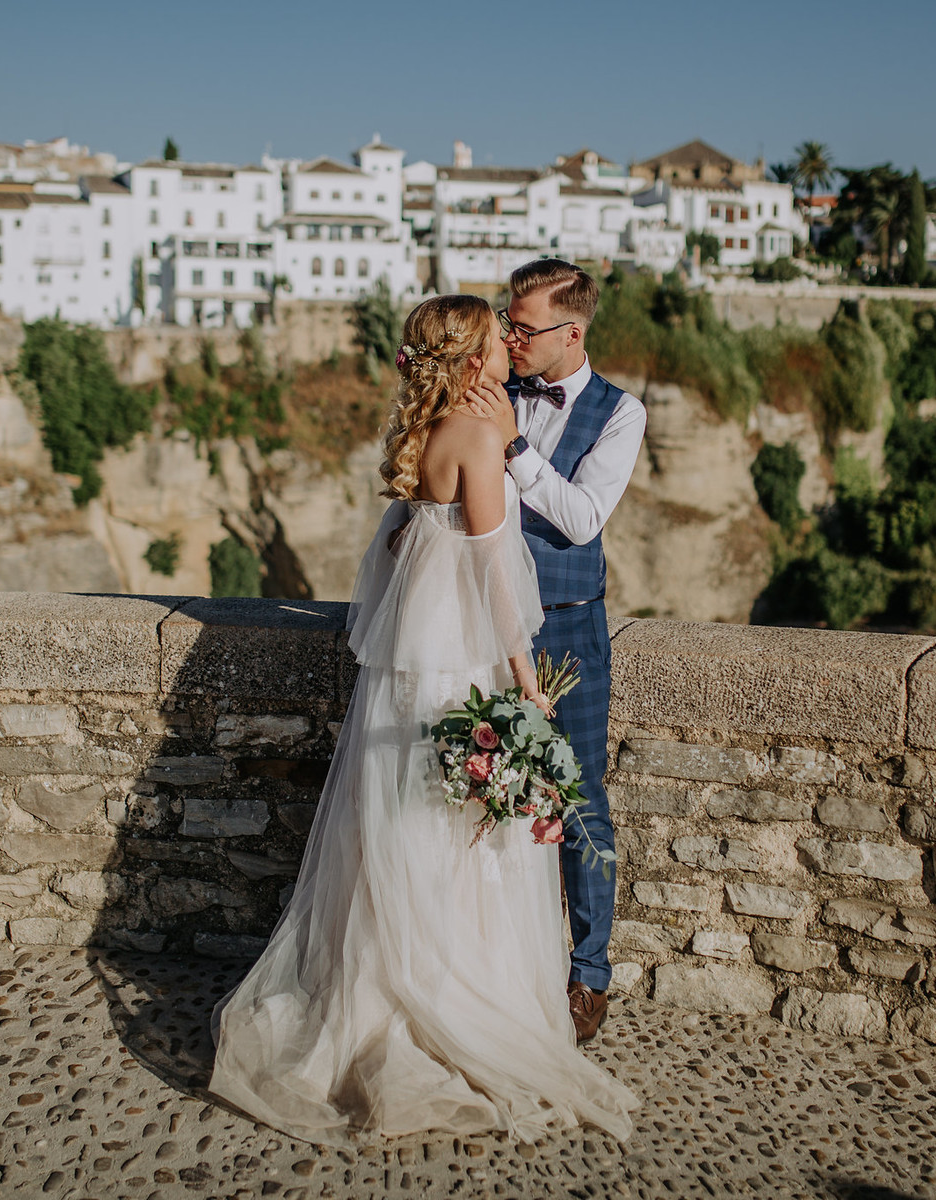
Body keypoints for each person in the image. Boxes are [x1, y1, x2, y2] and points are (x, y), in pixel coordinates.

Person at [208, 294, 638, 1145]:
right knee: (462, 830)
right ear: (475, 354)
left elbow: (404, 546)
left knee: (404, 830)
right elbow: (488, 573)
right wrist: (528, 684)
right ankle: (456, 997)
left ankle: (380, 985)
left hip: (408, 665)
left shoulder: (431, 429)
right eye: (497, 336)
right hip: (466, 661)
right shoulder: (482, 434)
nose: (510, 345)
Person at [464, 260, 647, 1045]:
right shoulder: (496, 388)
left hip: (569, 623)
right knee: (473, 787)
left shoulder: (621, 412)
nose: (511, 336)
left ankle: (590, 974)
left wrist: (512, 449)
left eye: (524, 326)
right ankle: (489, 961)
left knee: (581, 802)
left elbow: (579, 518)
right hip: (482, 620)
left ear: (572, 333)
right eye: (509, 321)